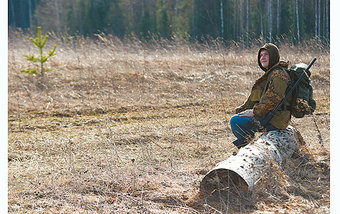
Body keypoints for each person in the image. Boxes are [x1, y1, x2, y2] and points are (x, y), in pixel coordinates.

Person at [230, 43, 291, 149]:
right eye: (261, 55)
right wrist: (242, 109)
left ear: (273, 56)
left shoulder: (278, 74)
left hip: (275, 119)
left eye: (266, 55)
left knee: (236, 121)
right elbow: (256, 97)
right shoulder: (271, 73)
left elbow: (273, 98)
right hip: (270, 115)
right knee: (239, 116)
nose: (262, 58)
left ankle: (247, 148)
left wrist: (254, 112)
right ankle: (248, 146)